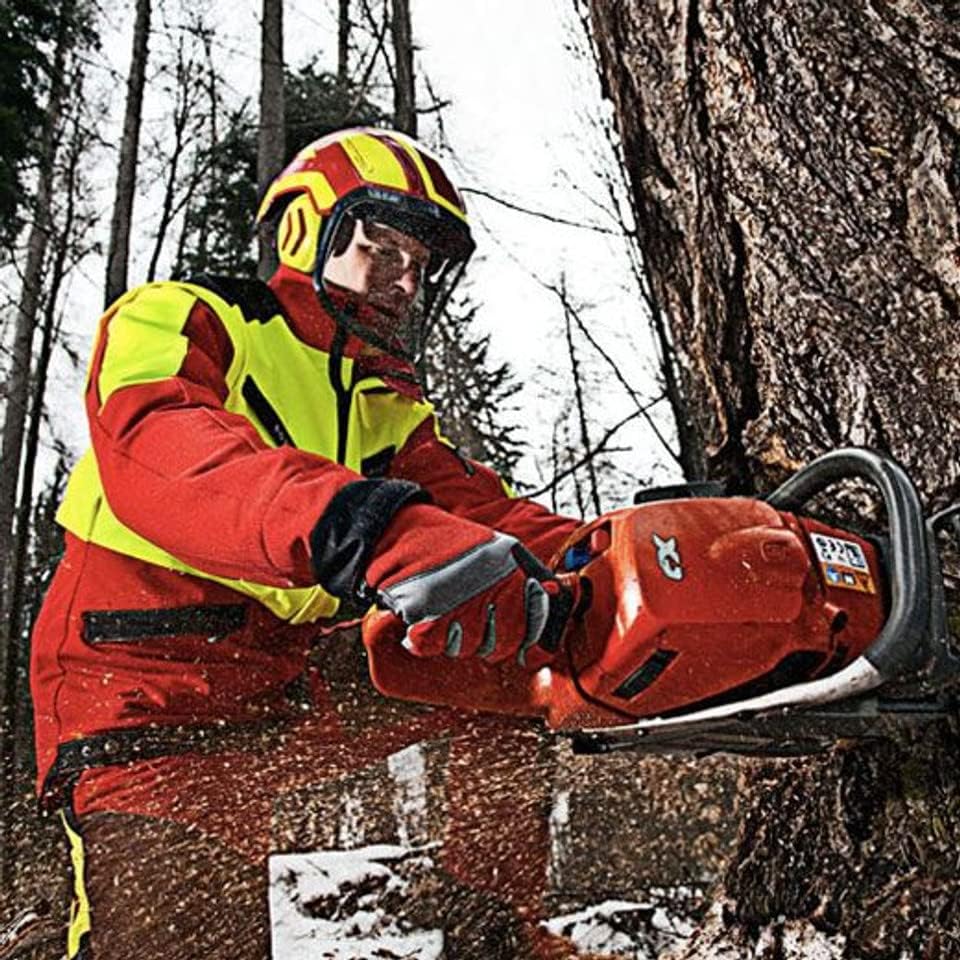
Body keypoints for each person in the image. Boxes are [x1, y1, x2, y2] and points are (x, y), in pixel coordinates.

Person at [29, 127, 584, 959]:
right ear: (303, 232)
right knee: (190, 935)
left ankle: (496, 937)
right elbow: (171, 446)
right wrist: (367, 526)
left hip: (286, 683)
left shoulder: (382, 404)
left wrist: (608, 556)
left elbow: (486, 516)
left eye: (420, 267)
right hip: (147, 693)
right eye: (382, 248)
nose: (404, 281)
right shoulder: (182, 321)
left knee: (502, 647)